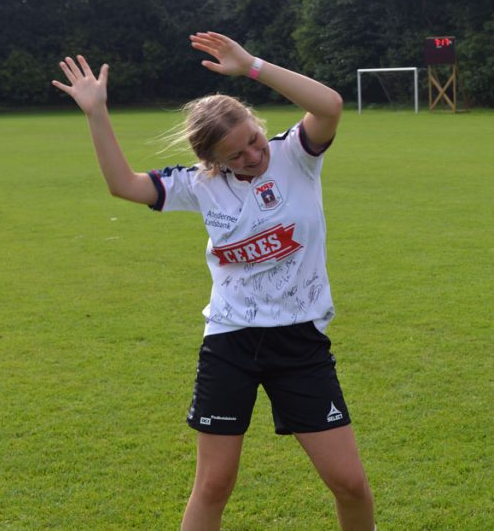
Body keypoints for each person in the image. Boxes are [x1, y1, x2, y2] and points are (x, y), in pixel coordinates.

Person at [52, 33, 376, 531]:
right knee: (213, 485)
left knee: (349, 483)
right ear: (215, 162)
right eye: (236, 154)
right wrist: (96, 112)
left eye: (251, 138)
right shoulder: (198, 186)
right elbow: (124, 185)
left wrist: (252, 66)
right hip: (229, 343)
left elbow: (330, 105)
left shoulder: (296, 157)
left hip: (300, 342)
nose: (252, 154)